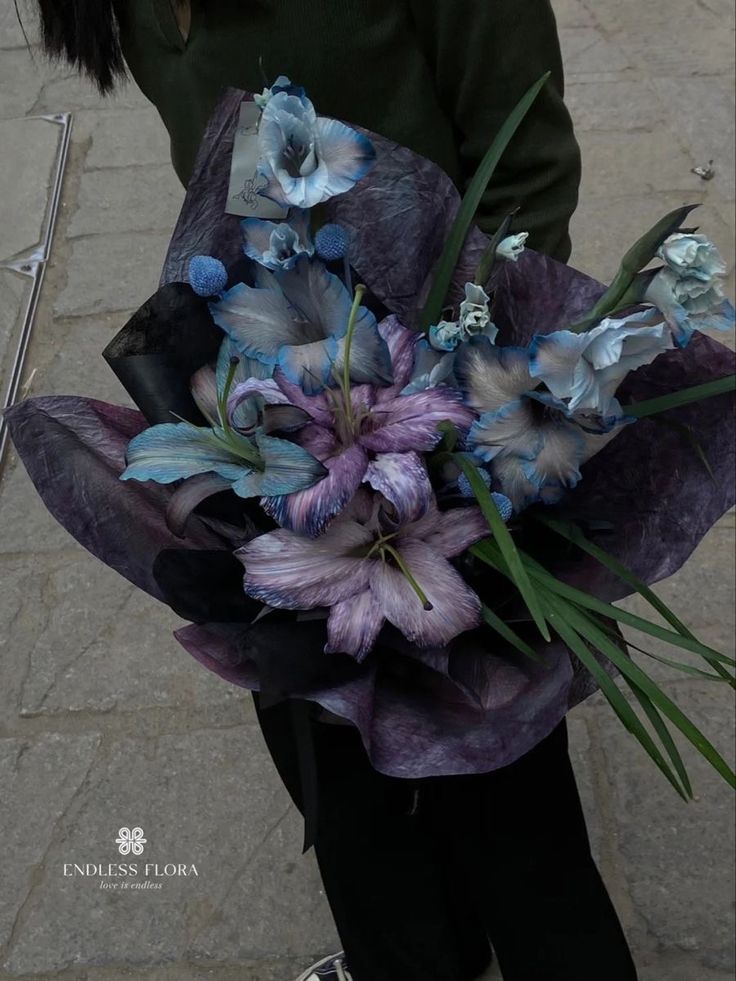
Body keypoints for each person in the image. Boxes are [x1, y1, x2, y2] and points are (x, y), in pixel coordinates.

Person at [32, 2, 639, 979]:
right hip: (269, 383)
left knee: (490, 755)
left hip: (440, 400)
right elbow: (215, 154)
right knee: (316, 730)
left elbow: (523, 176)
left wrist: (471, 413)